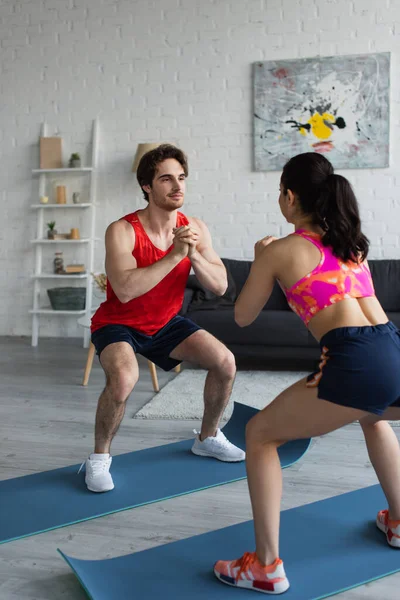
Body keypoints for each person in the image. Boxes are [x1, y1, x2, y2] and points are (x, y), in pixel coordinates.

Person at [214, 152, 400, 594]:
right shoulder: (351, 244)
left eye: (281, 191)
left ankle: (264, 566)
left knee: (259, 434)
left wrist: (262, 259)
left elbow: (242, 317)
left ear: (290, 197)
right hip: (393, 347)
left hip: (357, 358)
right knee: (372, 416)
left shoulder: (280, 250)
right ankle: (398, 522)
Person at [84, 144, 244, 493]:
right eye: (166, 179)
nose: (177, 186)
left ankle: (207, 437)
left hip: (166, 322)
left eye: (182, 178)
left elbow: (219, 286)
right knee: (125, 379)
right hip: (119, 322)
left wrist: (193, 256)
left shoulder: (195, 227)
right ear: (147, 186)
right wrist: (174, 256)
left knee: (225, 363)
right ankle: (98, 459)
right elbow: (125, 289)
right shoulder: (122, 230)